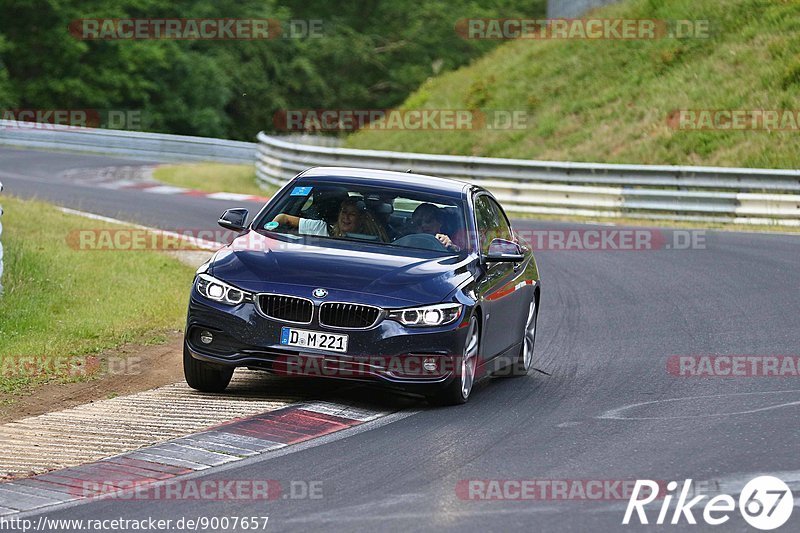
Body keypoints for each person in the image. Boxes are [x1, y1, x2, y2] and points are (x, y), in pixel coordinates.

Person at [272, 197, 388, 241]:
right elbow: (283, 218)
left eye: (352, 214)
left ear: (361, 219)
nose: (345, 217)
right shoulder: (321, 227)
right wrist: (271, 229)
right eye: (344, 211)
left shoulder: (372, 239)